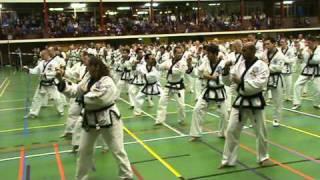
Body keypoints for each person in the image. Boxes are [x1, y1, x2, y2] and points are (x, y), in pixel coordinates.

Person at [56, 55, 133, 180]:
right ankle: (80, 177)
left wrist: (82, 97)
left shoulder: (107, 81)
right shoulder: (88, 77)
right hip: (90, 119)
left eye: (89, 66)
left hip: (109, 119)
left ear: (96, 67)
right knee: (83, 150)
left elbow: (100, 99)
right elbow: (75, 91)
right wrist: (61, 81)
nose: (87, 68)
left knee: (118, 150)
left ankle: (127, 176)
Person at [220, 42, 270, 168]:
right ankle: (228, 160)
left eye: (245, 50)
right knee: (231, 130)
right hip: (241, 101)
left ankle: (263, 157)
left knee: (261, 131)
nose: (242, 52)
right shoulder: (239, 64)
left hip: (255, 102)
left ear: (253, 51)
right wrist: (225, 71)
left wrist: (241, 82)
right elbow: (228, 82)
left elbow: (259, 84)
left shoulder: (262, 66)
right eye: (242, 50)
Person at [189, 44, 228, 140]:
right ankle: (195, 134)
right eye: (207, 54)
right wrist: (190, 65)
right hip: (207, 91)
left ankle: (223, 133)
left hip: (219, 92)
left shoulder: (222, 64)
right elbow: (197, 73)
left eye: (209, 54)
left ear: (215, 54)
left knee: (224, 114)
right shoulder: (206, 62)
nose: (207, 55)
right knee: (197, 109)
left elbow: (217, 77)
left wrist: (207, 76)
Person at [23, 50, 64, 118]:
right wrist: (29, 70)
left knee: (57, 98)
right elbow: (36, 70)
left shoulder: (54, 63)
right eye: (41, 55)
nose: (41, 57)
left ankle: (61, 111)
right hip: (42, 84)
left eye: (42, 55)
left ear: (47, 55)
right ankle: (33, 113)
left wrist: (46, 75)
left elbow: (57, 73)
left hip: (51, 84)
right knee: (36, 98)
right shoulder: (41, 63)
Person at [155, 46, 190, 125]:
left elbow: (179, 72)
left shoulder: (183, 62)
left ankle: (181, 119)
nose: (180, 54)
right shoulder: (168, 61)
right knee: (162, 102)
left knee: (181, 106)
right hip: (169, 85)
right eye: (178, 53)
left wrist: (169, 68)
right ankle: (160, 120)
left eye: (181, 53)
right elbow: (159, 67)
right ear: (174, 53)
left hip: (178, 86)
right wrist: (155, 62)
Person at [292, 36, 320, 109]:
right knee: (297, 85)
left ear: (315, 42)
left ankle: (316, 103)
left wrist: (311, 54)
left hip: (316, 70)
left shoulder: (319, 49)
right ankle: (297, 103)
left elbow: (317, 60)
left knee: (318, 89)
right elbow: (301, 61)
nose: (308, 44)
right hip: (307, 69)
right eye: (307, 43)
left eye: (310, 43)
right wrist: (299, 54)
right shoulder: (305, 49)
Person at [263, 37, 285, 127]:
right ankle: (259, 118)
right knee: (260, 98)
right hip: (266, 78)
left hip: (276, 78)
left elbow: (279, 68)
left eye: (268, 44)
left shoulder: (280, 55)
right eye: (265, 44)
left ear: (274, 44)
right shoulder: (264, 53)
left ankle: (276, 119)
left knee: (277, 100)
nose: (266, 46)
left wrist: (267, 65)